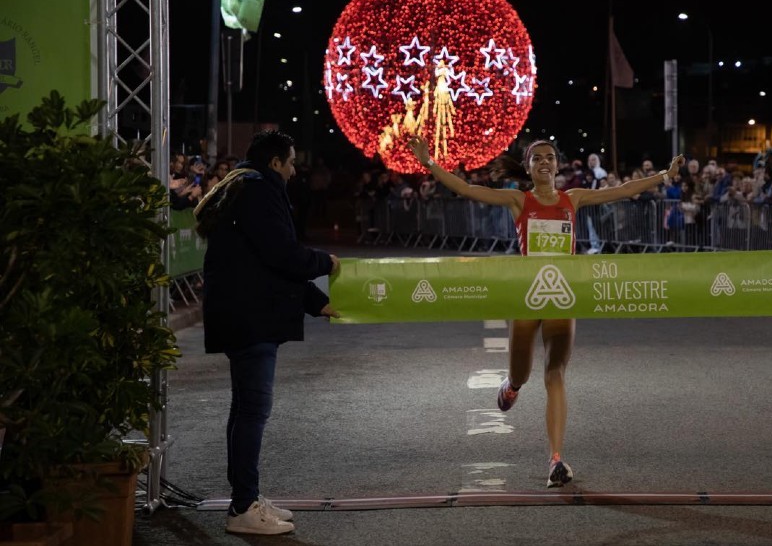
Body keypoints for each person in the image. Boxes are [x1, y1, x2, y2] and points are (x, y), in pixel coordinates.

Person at [407, 135, 684, 487]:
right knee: (521, 375)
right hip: (527, 297)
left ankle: (556, 459)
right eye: (536, 158)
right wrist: (429, 163)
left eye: (549, 157)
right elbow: (466, 189)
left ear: (557, 165)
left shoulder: (574, 198)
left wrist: (664, 174)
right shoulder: (517, 200)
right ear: (527, 167)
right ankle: (511, 387)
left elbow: (625, 190)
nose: (544, 162)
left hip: (560, 297)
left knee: (555, 374)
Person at [195, 129, 341, 535]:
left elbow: (264, 260)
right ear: (275, 162)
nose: (294, 171)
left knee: (245, 409)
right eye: (291, 162)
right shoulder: (259, 190)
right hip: (250, 316)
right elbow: (280, 253)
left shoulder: (242, 185)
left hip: (244, 312)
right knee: (253, 410)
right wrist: (323, 264)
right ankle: (243, 507)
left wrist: (315, 302)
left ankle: (247, 496)